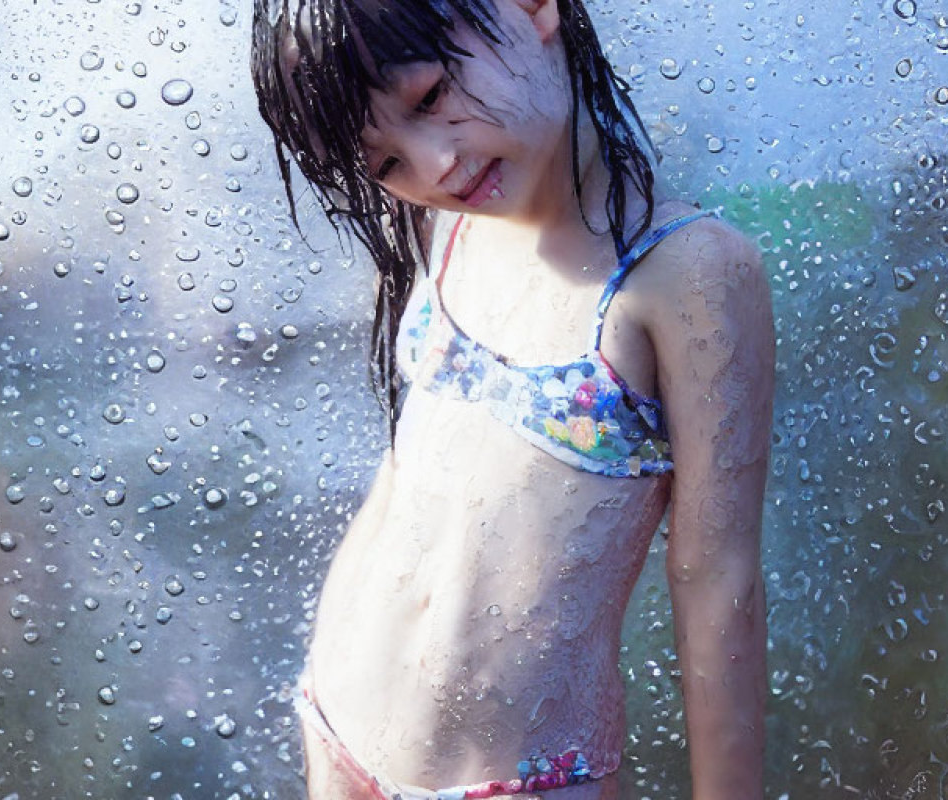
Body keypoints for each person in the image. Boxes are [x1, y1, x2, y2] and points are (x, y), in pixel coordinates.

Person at [251, 0, 774, 797]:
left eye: (429, 98)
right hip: (340, 707)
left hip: (515, 772)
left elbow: (718, 578)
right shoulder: (444, 226)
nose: (434, 168)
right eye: (384, 163)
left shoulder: (687, 273)